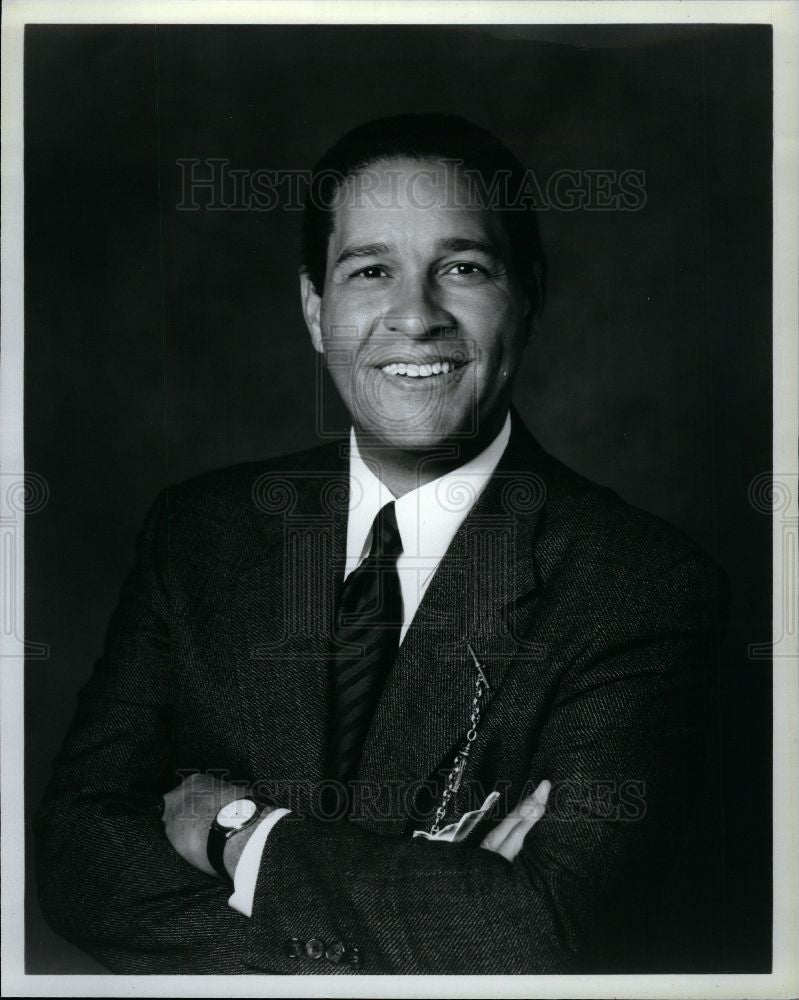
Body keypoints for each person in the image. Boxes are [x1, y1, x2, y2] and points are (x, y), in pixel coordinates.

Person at [34, 113, 728, 975]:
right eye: (370, 271)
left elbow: (538, 936)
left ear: (530, 295)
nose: (414, 316)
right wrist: (426, 918)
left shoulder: (640, 584)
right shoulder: (199, 535)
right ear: (315, 308)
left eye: (463, 268)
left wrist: (233, 835)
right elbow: (76, 856)